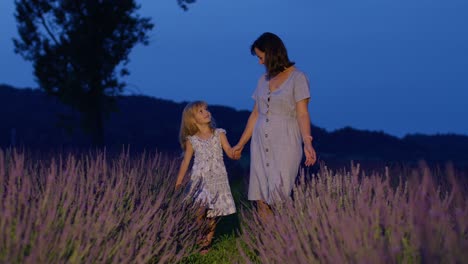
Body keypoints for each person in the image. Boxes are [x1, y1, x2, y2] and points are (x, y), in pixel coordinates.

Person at [232, 32, 317, 216]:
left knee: (280, 195)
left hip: (286, 140)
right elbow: (255, 114)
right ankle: (267, 242)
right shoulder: (262, 80)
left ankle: (285, 240)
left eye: (261, 57)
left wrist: (307, 141)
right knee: (261, 196)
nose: (260, 63)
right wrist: (241, 144)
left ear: (271, 53)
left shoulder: (298, 77)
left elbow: (302, 113)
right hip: (260, 143)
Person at [175, 100, 237, 254]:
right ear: (192, 119)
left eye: (206, 109)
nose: (206, 112)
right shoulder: (192, 140)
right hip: (200, 180)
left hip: (217, 179)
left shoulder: (219, 134)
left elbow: (228, 150)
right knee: (199, 210)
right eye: (200, 111)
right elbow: (185, 162)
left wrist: (235, 153)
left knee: (212, 215)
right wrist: (179, 181)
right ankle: (198, 237)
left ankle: (206, 245)